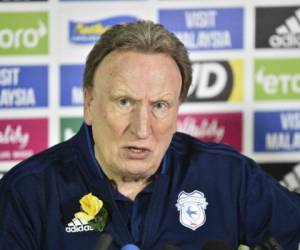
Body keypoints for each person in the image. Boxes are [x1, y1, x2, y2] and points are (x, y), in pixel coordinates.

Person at [0, 20, 299, 250]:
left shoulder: (230, 179)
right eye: (124, 102)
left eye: (159, 105)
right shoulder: (25, 194)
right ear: (88, 104)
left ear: (177, 109)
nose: (142, 128)